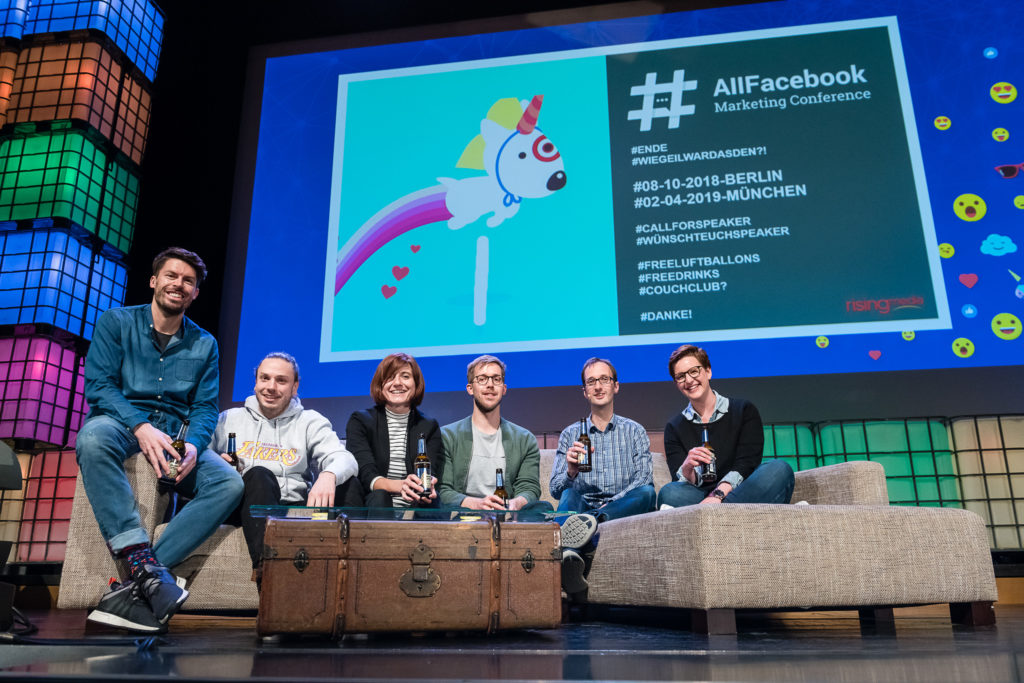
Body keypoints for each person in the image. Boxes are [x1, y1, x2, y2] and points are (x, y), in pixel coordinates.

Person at [76, 247, 243, 633]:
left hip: (174, 435)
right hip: (120, 422)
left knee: (229, 482)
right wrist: (139, 425)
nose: (178, 284)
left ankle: (144, 575)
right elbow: (99, 385)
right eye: (171, 276)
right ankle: (137, 553)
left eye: (188, 281)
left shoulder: (205, 343)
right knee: (92, 438)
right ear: (154, 281)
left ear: (195, 293)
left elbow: (204, 407)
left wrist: (195, 445)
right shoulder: (116, 322)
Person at [211, 352, 359, 579]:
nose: (271, 387)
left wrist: (328, 475)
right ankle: (269, 573)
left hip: (292, 505)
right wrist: (215, 463)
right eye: (265, 378)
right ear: (256, 382)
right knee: (259, 475)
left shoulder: (309, 421)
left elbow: (344, 458)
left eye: (281, 380)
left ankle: (352, 574)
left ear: (295, 387)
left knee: (350, 485)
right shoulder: (228, 419)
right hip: (244, 507)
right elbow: (198, 455)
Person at [550, 358, 656, 592]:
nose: (598, 386)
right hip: (582, 506)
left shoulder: (635, 431)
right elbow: (555, 490)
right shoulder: (570, 434)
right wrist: (571, 471)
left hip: (620, 509)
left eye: (604, 380)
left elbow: (644, 478)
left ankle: (588, 526)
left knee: (647, 493)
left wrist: (610, 504)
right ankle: (569, 558)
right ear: (585, 391)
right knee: (569, 494)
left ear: (615, 386)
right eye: (591, 382)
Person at [656, 344, 794, 509]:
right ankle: (734, 515)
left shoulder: (744, 410)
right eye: (680, 376)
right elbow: (679, 484)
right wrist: (687, 469)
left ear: (708, 371)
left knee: (779, 470)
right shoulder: (674, 427)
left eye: (694, 371)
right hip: (700, 496)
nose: (689, 380)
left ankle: (712, 514)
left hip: (740, 489)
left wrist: (718, 495)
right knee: (669, 493)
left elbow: (747, 463)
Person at [439, 355, 548, 513]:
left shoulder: (525, 439)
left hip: (508, 516)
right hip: (464, 516)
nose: (490, 385)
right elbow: (443, 490)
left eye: (496, 379)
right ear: (470, 388)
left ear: (504, 389)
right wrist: (478, 504)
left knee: (543, 508)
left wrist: (515, 503)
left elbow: (529, 489)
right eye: (482, 379)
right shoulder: (447, 436)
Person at [345, 353, 442, 508]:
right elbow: (366, 474)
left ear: (416, 384)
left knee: (431, 501)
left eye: (405, 376)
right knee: (380, 496)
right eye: (390, 377)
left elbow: (430, 472)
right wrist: (401, 485)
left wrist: (427, 484)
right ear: (380, 384)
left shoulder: (429, 426)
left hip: (415, 504)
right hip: (375, 505)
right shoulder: (360, 421)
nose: (397, 383)